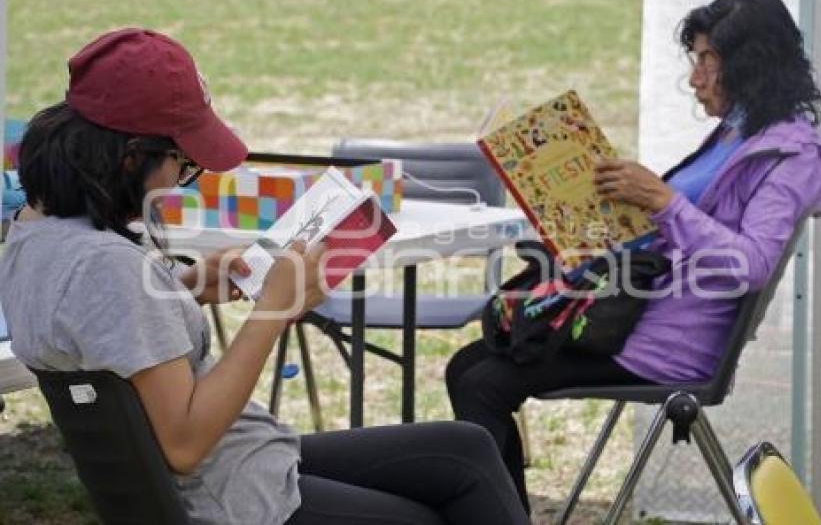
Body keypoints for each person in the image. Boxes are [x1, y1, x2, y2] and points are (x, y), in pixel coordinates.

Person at [0, 28, 530, 525]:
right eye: (183, 166)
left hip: (237, 464)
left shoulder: (30, 235)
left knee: (467, 449)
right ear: (129, 158)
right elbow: (184, 445)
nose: (182, 185)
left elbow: (96, 330)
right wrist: (274, 309)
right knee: (446, 505)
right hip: (233, 498)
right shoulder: (106, 268)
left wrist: (180, 287)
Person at [445, 0, 821, 511]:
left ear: (751, 63)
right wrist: (584, 217)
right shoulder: (738, 132)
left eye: (707, 60)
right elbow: (677, 226)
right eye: (694, 58)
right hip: (634, 316)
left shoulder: (790, 158)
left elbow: (749, 264)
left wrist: (659, 197)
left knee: (485, 385)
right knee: (466, 370)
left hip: (667, 346)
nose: (695, 77)